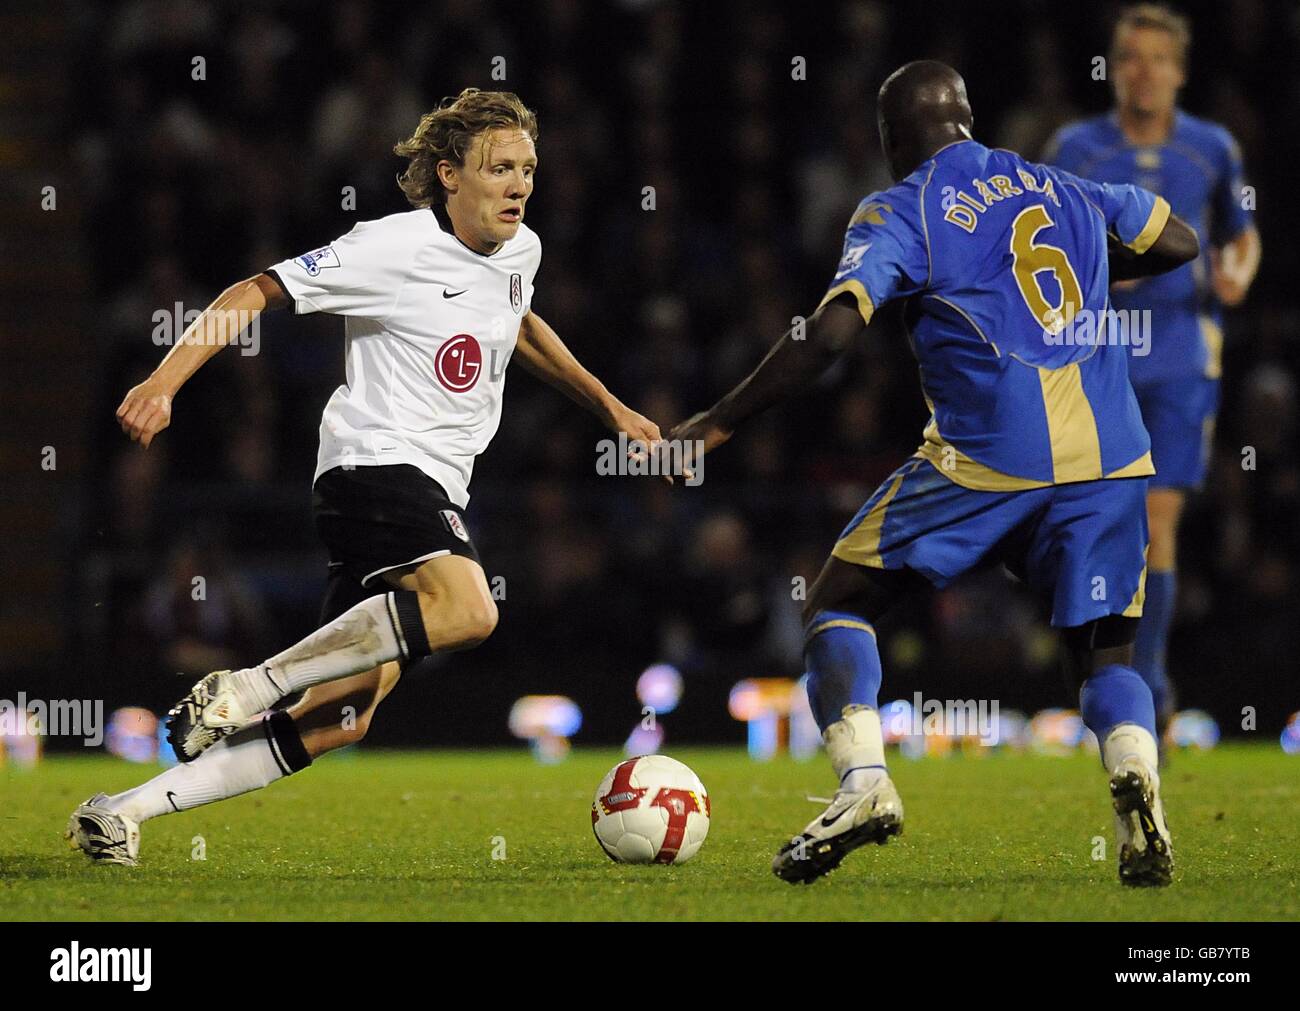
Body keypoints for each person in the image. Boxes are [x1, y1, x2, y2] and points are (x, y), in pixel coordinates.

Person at [68, 89, 665, 866]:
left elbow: (517, 320)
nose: (518, 184)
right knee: (470, 609)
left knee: (340, 719)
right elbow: (255, 289)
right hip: (375, 466)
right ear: (449, 175)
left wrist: (608, 404)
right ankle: (248, 687)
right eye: (498, 168)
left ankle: (120, 811)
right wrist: (163, 382)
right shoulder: (392, 246)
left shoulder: (521, 251)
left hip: (434, 487)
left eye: (527, 168)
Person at [671, 61, 1199, 887]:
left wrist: (721, 419)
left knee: (840, 599)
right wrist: (1088, 270)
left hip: (991, 452)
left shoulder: (903, 204)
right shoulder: (1059, 184)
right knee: (1105, 657)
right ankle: (1136, 782)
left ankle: (866, 785)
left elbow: (832, 333)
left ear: (890, 139)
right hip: (1112, 456)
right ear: (967, 116)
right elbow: (1180, 240)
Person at [1044, 4, 1260, 742]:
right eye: (1130, 57)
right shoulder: (1075, 149)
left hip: (1177, 353)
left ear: (1180, 70)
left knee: (1157, 520)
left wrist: (1237, 270)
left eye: (1158, 60)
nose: (1144, 72)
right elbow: (1038, 238)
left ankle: (1147, 680)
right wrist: (1096, 273)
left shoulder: (1211, 148)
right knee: (1095, 526)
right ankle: (1101, 676)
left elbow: (1242, 232)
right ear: (1114, 65)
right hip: (1094, 351)